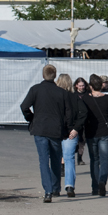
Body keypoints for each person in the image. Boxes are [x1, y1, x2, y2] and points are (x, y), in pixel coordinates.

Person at [19, 64, 79, 202]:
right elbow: (68, 112)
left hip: (40, 128)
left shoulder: (36, 90)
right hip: (56, 129)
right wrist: (68, 128)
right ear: (55, 76)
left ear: (43, 75)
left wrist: (31, 118)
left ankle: (48, 191)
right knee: (56, 159)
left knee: (43, 160)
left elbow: (24, 106)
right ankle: (55, 187)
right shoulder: (62, 93)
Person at [83, 75, 108, 196]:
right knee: (105, 159)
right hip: (104, 131)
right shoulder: (107, 98)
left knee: (94, 160)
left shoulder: (86, 98)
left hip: (91, 132)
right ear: (101, 85)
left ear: (90, 86)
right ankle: (103, 181)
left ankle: (95, 186)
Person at [55, 73, 82, 198]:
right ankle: (69, 185)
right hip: (71, 132)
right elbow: (82, 114)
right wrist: (76, 128)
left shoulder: (55, 97)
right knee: (69, 158)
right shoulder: (75, 97)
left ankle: (55, 187)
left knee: (55, 158)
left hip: (56, 131)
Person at [73, 77, 88, 165]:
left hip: (85, 121)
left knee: (82, 141)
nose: (82, 87)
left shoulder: (87, 94)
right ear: (76, 86)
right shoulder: (73, 95)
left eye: (83, 86)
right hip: (76, 120)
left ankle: (80, 158)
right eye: (80, 86)